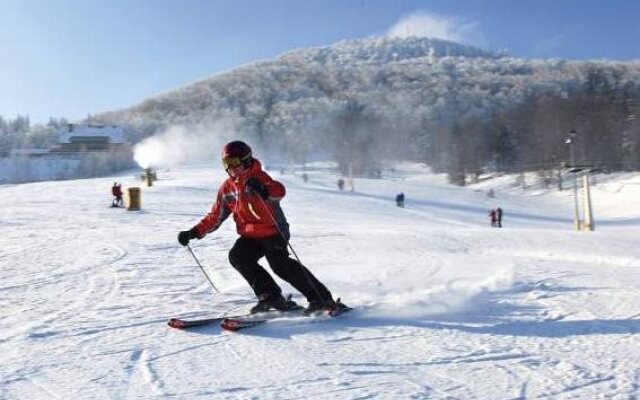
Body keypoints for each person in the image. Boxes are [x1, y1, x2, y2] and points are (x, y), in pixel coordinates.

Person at [177, 140, 340, 314]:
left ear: (246, 160)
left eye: (235, 162)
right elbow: (215, 216)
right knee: (238, 256)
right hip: (250, 236)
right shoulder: (227, 188)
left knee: (279, 264)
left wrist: (264, 189)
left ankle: (321, 299)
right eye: (227, 163)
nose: (231, 167)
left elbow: (279, 191)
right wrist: (193, 232)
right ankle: (271, 297)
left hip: (274, 231)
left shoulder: (258, 177)